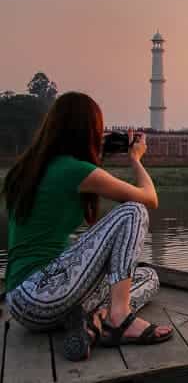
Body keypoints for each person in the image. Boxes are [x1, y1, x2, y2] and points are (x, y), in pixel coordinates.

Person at [2, 91, 173, 362]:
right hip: (41, 292)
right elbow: (149, 198)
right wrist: (135, 159)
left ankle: (91, 322)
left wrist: (96, 153)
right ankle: (118, 318)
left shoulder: (27, 169)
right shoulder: (74, 170)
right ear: (87, 131)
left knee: (148, 277)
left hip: (24, 304)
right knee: (133, 211)